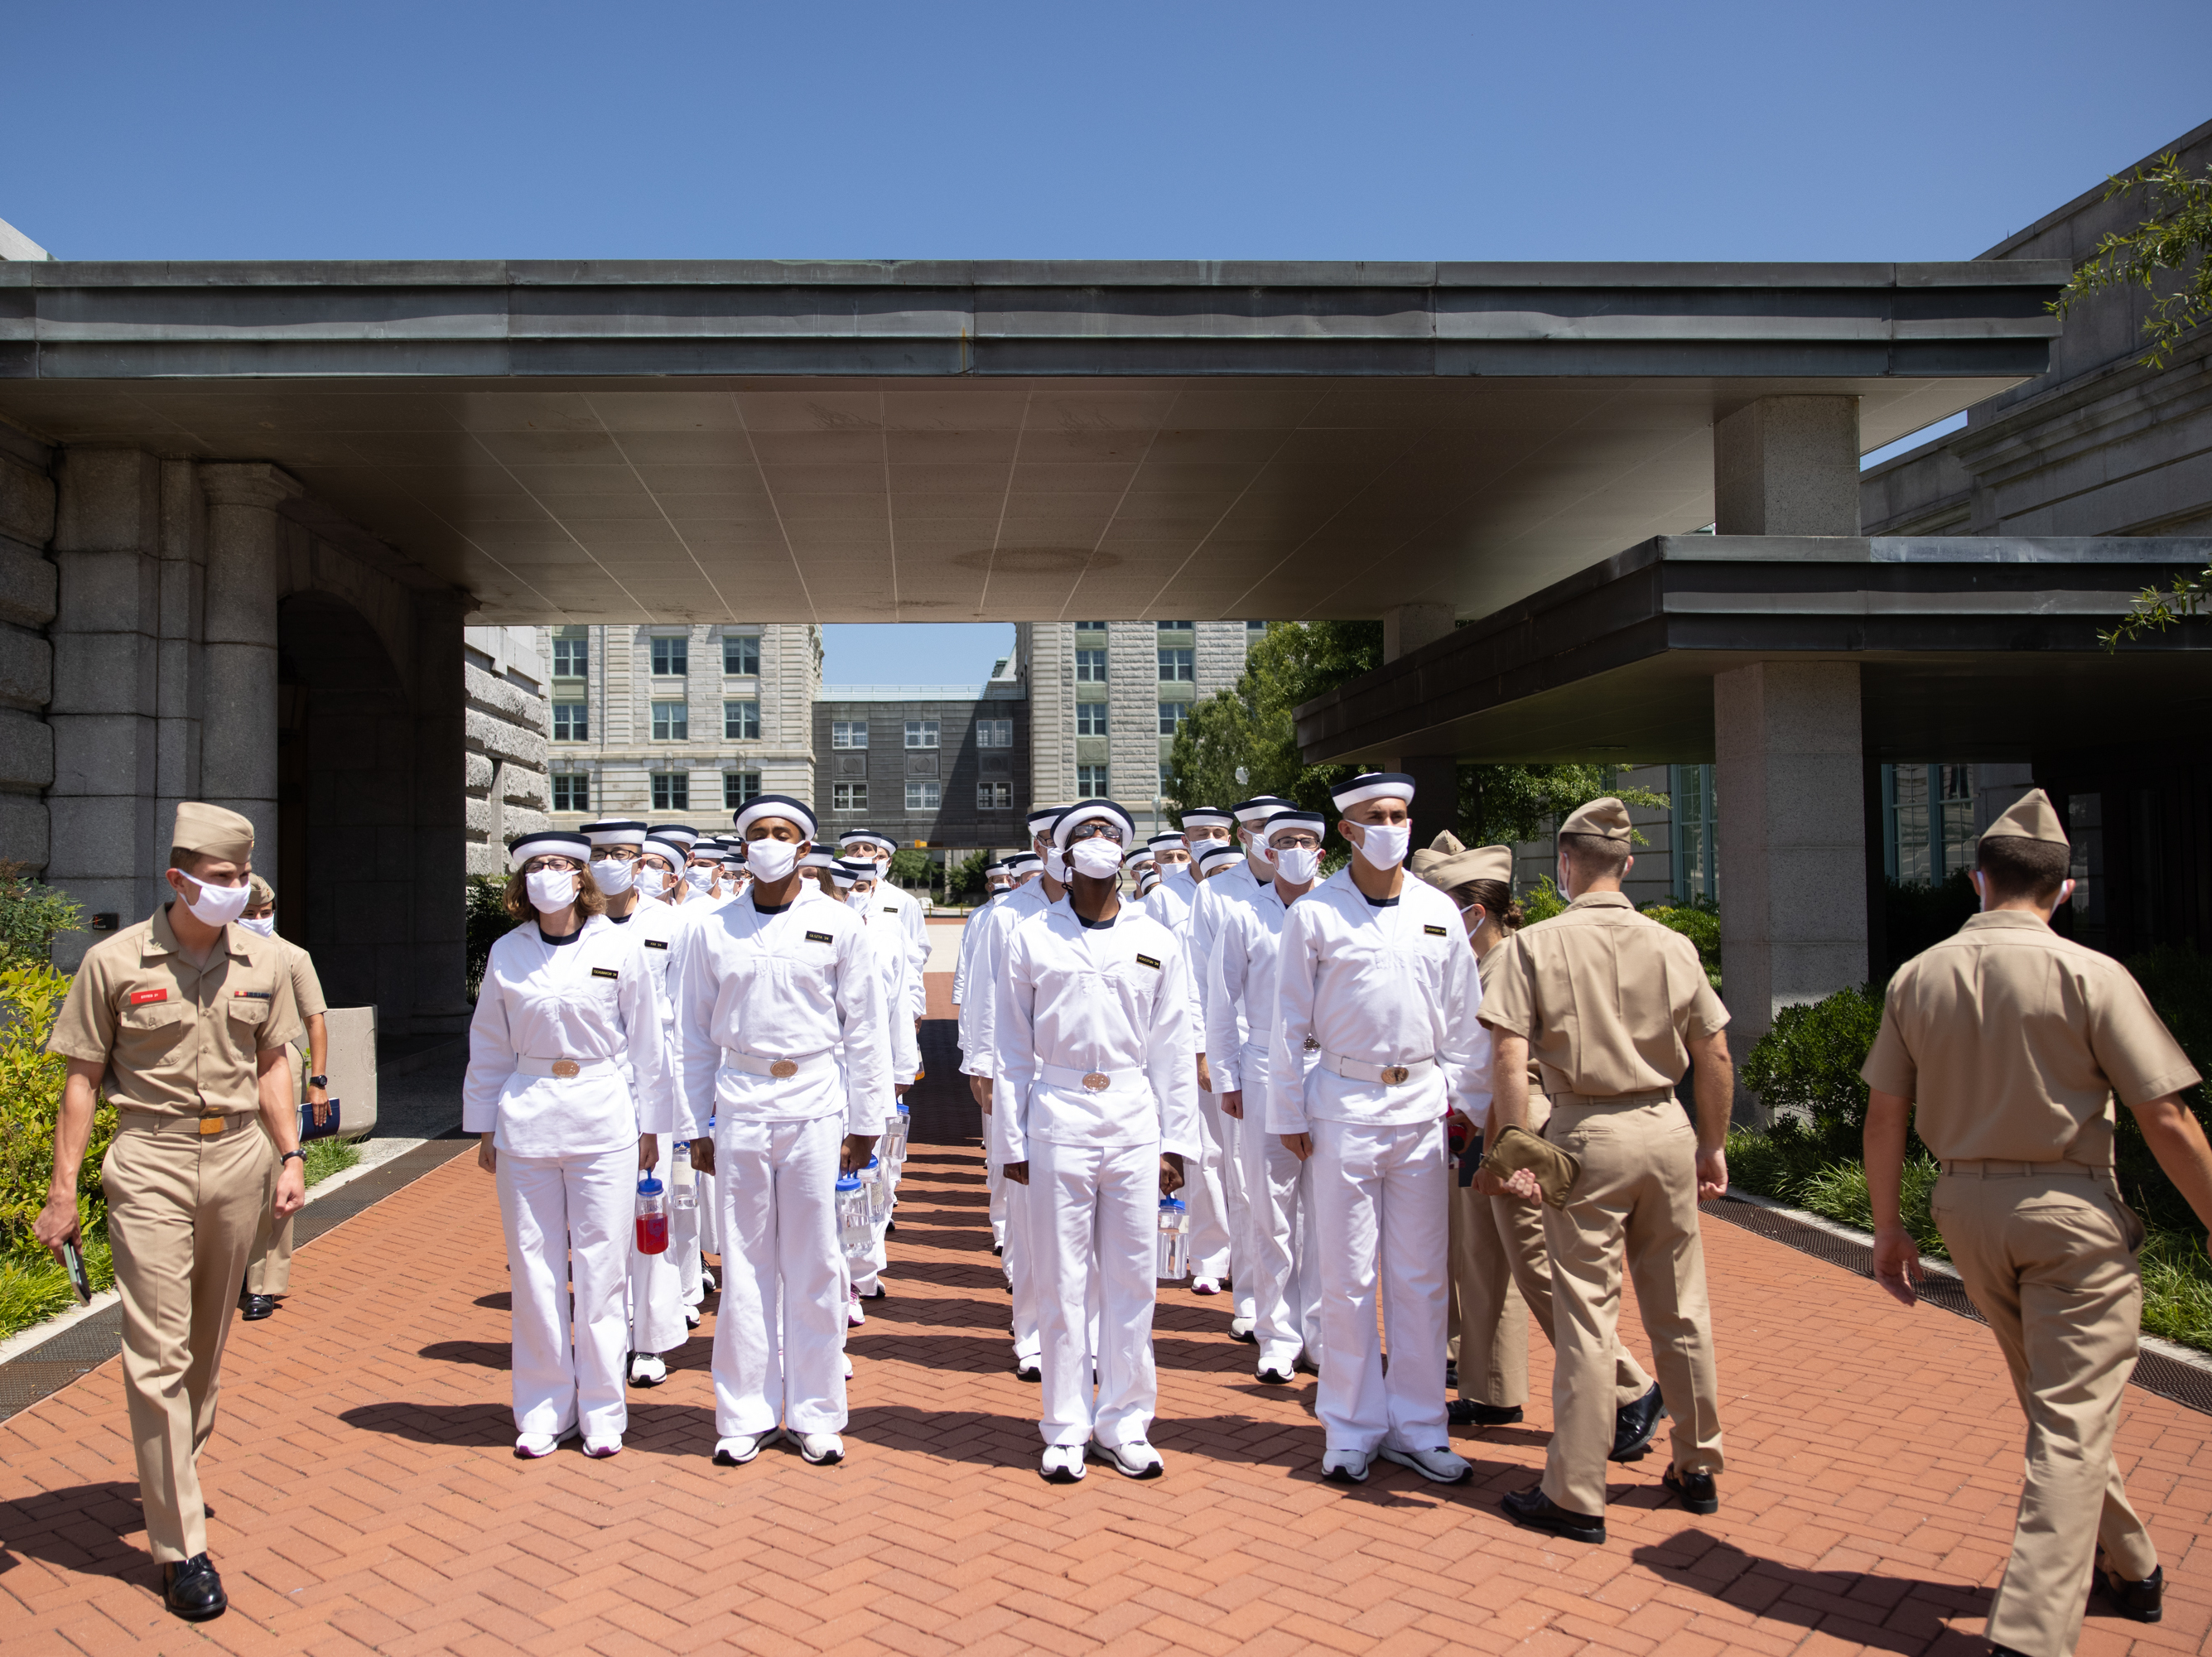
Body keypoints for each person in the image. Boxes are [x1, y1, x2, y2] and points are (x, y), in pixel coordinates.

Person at [1862, 790, 2210, 1656]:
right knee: (2069, 1418)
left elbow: (1883, 1114)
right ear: (2064, 890)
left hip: (1964, 1211)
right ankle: (2029, 1634)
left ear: (1977, 879)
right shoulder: (2091, 974)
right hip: (2069, 1213)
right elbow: (2163, 1117)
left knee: (2058, 1408)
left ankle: (2129, 1563)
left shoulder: (1918, 974)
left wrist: (1887, 1227)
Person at [36, 802, 304, 1621]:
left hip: (238, 1160)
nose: (235, 892)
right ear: (178, 879)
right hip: (148, 1158)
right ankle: (182, 1546)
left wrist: (290, 1154)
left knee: (202, 1355)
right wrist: (60, 1190)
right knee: (156, 1351)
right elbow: (82, 1079)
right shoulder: (115, 962)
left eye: (242, 881)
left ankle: (170, 1472)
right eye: (221, 881)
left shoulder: (266, 962)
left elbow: (273, 1062)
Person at [1481, 797, 1732, 1544]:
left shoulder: (1534, 946)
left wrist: (1517, 1146)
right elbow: (1714, 1050)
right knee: (1681, 1304)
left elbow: (1506, 1054)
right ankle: (1697, 1463)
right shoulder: (1673, 944)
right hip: (1664, 1123)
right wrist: (1712, 1145)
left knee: (1588, 1312)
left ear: (1564, 864)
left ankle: (1576, 1487)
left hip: (1584, 1125)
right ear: (1626, 864)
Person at [1270, 773, 1483, 1487]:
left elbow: (1463, 1020)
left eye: (1400, 813)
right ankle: (1352, 1426)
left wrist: (1469, 1108)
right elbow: (1286, 1022)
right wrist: (1288, 1112)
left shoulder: (1437, 911)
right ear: (1349, 831)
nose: (1393, 825)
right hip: (1342, 1103)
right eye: (1376, 816)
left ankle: (1421, 1425)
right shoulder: (1316, 913)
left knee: (1421, 1278)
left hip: (1421, 1107)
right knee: (1348, 1275)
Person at [1414, 841, 1660, 1443]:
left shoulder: (1513, 961)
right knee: (1483, 1264)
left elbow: (1511, 1064)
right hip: (1480, 1127)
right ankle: (1491, 1387)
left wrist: (1503, 1143)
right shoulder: (1475, 964)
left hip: (1521, 1124)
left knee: (1538, 1267)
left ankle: (1632, 1386)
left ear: (1473, 908)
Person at [671, 794, 890, 1467]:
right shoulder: (712, 928)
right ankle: (744, 1411)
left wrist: (867, 1120)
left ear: (803, 848)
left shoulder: (840, 923)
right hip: (739, 1098)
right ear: (743, 847)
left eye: (783, 833)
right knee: (743, 1259)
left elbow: (865, 1026)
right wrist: (693, 1123)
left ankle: (817, 1411)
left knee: (816, 1260)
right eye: (758, 833)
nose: (769, 841)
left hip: (816, 1097)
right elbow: (692, 1035)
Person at [999, 800, 1199, 1481]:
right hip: (1057, 1109)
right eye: (1084, 834)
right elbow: (1009, 1048)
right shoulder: (1030, 935)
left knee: (1132, 1277)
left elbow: (1174, 1046)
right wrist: (1014, 1142)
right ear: (1060, 853)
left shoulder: (1157, 937)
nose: (1098, 843)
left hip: (1134, 1113)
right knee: (1061, 1275)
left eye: (1109, 834)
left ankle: (1126, 1420)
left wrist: (1178, 1141)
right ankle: (1063, 1423)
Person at [466, 830, 670, 1460]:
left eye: (558, 864)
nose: (546, 874)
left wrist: (650, 1125)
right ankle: (543, 1406)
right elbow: (490, 1040)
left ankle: (603, 1408)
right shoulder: (508, 950)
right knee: (533, 1269)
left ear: (580, 877)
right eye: (535, 866)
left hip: (602, 1113)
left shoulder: (620, 942)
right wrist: (483, 1125)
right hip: (526, 1114)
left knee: (602, 1270)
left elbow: (646, 1040)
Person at [1209, 808, 1327, 1384]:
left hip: (1329, 1069)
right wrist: (1226, 1077)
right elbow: (1220, 1000)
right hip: (1261, 1068)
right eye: (1284, 841)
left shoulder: (1339, 910)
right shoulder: (1242, 914)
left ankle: (1323, 1331)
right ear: (1266, 851)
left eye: (1305, 840)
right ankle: (1276, 1332)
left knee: (1328, 1210)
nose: (1295, 848)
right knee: (1270, 1205)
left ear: (1321, 852)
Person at [577, 818, 695, 1388]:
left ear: (642, 861)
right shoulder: (576, 925)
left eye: (623, 853)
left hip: (656, 1082)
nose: (610, 862)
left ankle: (650, 1339)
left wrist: (687, 1104)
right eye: (600, 852)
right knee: (599, 1221)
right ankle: (608, 1331)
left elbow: (689, 1016)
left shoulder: (668, 923)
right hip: (595, 1085)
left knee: (651, 1210)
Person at [234, 873, 330, 1322]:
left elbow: (315, 1019)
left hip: (276, 1066)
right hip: (226, 1066)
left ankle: (264, 1283)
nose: (257, 920)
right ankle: (229, 1270)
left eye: (264, 912)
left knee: (276, 1171)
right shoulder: (217, 955)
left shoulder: (291, 956)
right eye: (248, 913)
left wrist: (319, 1081)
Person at [830, 855, 919, 1320]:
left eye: (860, 887)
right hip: (823, 1074)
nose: (852, 894)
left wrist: (902, 1070)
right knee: (826, 1183)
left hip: (873, 1070)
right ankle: (838, 1280)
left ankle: (861, 1267)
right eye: (844, 886)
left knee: (871, 1180)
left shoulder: (887, 936)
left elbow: (899, 1008)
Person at [840, 829, 931, 1027]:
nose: (861, 853)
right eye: (854, 849)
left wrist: (912, 1003)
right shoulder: (833, 895)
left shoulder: (902, 900)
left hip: (891, 991)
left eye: (867, 849)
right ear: (845, 856)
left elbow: (916, 953)